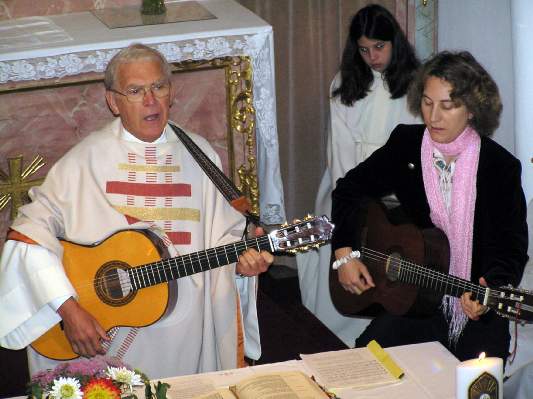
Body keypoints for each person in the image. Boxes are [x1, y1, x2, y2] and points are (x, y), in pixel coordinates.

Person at [0, 44, 273, 379]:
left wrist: (245, 265)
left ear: (172, 93)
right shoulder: (85, 160)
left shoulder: (201, 156)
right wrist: (68, 310)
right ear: (113, 102)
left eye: (159, 87)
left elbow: (228, 241)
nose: (150, 100)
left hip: (188, 328)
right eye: (135, 90)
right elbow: (26, 237)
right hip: (104, 326)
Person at [331, 50, 528, 361]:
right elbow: (349, 190)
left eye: (448, 106)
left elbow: (511, 245)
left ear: (473, 109)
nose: (433, 117)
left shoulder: (500, 167)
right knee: (364, 365)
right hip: (414, 301)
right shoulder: (406, 144)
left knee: (474, 385)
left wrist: (491, 288)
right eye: (427, 102)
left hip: (473, 309)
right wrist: (344, 251)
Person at [296, 3, 420, 346]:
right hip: (350, 178)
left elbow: (418, 146)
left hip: (400, 183)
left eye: (379, 47)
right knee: (331, 230)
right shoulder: (345, 82)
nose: (372, 57)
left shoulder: (415, 82)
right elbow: (340, 152)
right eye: (364, 50)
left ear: (395, 42)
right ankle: (333, 327)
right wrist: (357, 201)